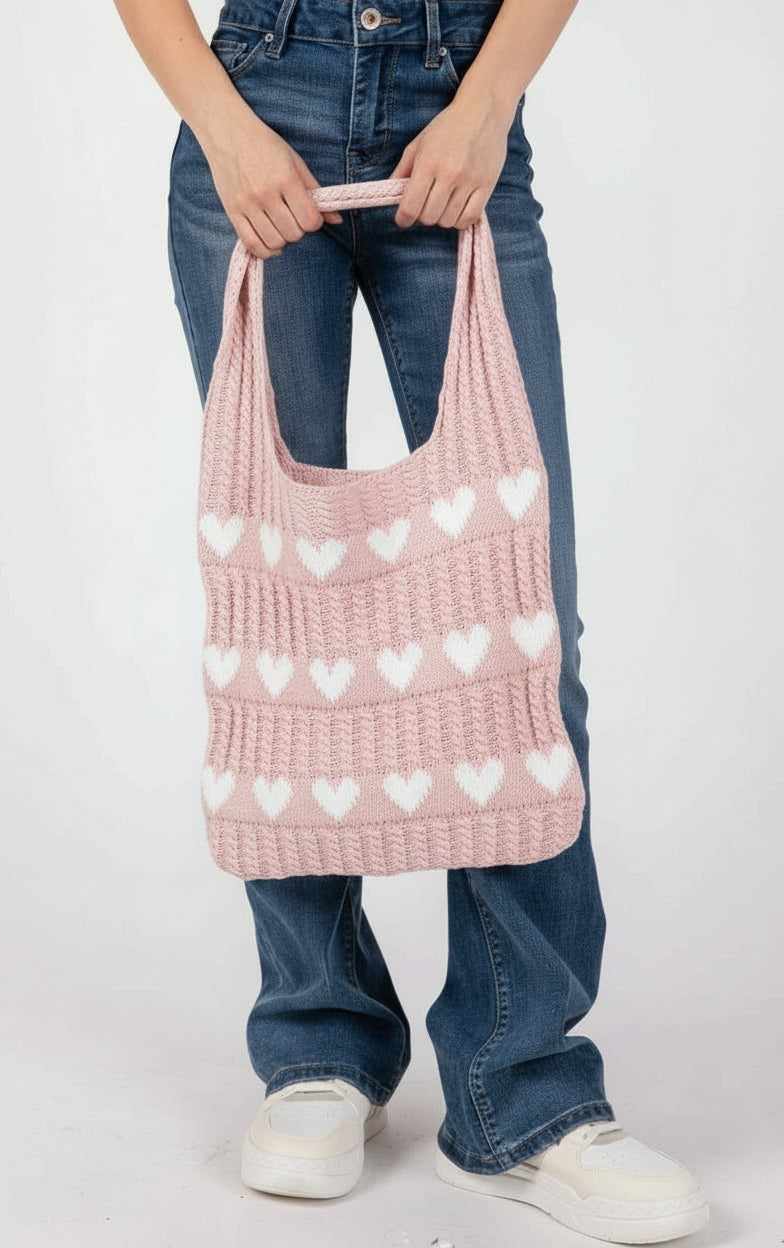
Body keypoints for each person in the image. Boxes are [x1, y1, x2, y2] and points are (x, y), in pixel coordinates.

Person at [113, 0, 710, 1240]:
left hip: (460, 95)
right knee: (282, 623)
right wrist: (219, 125)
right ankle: (318, 1045)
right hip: (259, 96)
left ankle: (522, 1091)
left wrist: (487, 104)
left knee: (519, 632)